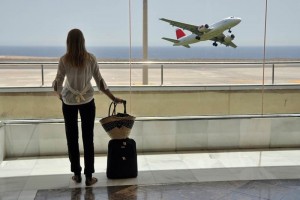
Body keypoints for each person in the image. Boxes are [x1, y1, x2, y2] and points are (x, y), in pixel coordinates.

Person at [52, 28, 124, 186]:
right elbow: (100, 82)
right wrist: (113, 98)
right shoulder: (91, 58)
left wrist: (60, 96)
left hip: (69, 102)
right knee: (88, 138)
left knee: (71, 138)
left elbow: (57, 82)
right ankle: (89, 176)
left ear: (68, 42)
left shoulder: (64, 59)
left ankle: (77, 175)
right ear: (83, 41)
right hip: (87, 101)